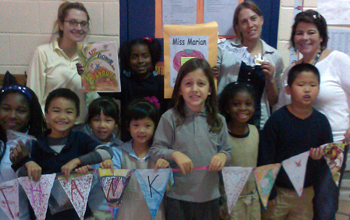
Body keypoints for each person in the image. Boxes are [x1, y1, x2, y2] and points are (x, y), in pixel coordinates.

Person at [275, 10, 350, 218]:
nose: (305, 38)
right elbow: (281, 107)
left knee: (324, 204)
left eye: (311, 32)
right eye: (299, 33)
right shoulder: (291, 70)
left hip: (332, 146)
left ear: (322, 37)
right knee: (302, 206)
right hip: (297, 149)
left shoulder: (338, 60)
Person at [13, 88, 113, 220]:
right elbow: (20, 175)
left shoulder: (80, 139)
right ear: (46, 114)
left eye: (69, 112)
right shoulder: (35, 143)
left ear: (77, 116)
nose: (62, 117)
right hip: (43, 216)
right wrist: (28, 163)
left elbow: (106, 152)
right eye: (56, 111)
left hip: (77, 215)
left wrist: (77, 161)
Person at [150, 58, 231, 220]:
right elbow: (155, 151)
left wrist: (222, 156)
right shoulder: (170, 118)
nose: (194, 89)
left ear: (209, 89)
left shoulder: (218, 120)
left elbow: (227, 151)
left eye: (201, 84)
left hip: (210, 197)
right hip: (178, 198)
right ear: (179, 89)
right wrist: (174, 154)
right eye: (188, 84)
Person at [259, 63, 333, 219]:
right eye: (301, 85)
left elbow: (329, 158)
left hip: (305, 192)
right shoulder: (277, 120)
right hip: (278, 191)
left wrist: (319, 158)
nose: (307, 89)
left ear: (318, 89)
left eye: (312, 85)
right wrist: (268, 191)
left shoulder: (322, 122)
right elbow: (266, 156)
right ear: (288, 89)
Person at [79, 98, 169, 220]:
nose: (141, 130)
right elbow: (112, 187)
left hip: (153, 213)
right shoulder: (119, 151)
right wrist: (104, 169)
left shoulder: (159, 153)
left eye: (147, 125)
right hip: (121, 212)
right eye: (136, 125)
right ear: (128, 126)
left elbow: (168, 187)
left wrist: (165, 170)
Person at [26, 2, 99, 125]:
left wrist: (87, 79)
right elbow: (33, 96)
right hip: (49, 127)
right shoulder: (43, 53)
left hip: (79, 127)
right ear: (60, 25)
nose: (79, 28)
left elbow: (93, 101)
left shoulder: (91, 57)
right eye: (72, 22)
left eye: (83, 23)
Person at [214, 0, 284, 129]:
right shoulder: (224, 49)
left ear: (261, 20)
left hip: (258, 122)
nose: (250, 25)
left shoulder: (274, 56)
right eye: (244, 22)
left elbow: (274, 101)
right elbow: (211, 85)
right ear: (238, 26)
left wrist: (270, 80)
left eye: (253, 19)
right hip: (225, 120)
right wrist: (212, 74)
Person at [0, 85, 47, 220]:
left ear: (31, 113)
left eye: (21, 110)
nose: (12, 116)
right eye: (6, 109)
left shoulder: (39, 145)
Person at [218, 82, 260, 219]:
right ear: (227, 108)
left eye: (248, 104)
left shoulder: (255, 132)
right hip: (229, 201)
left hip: (252, 199)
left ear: (254, 106)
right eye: (236, 104)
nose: (243, 108)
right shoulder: (221, 135)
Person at [81, 97, 123, 220]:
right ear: (89, 122)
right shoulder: (85, 148)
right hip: (90, 210)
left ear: (116, 123)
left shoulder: (121, 148)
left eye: (108, 120)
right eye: (96, 120)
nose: (102, 125)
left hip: (117, 211)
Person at [117, 37, 164, 141]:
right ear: (128, 59)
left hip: (157, 139)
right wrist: (86, 73)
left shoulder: (161, 83)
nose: (140, 61)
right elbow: (103, 89)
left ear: (152, 57)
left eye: (145, 56)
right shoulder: (123, 83)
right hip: (129, 140)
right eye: (134, 57)